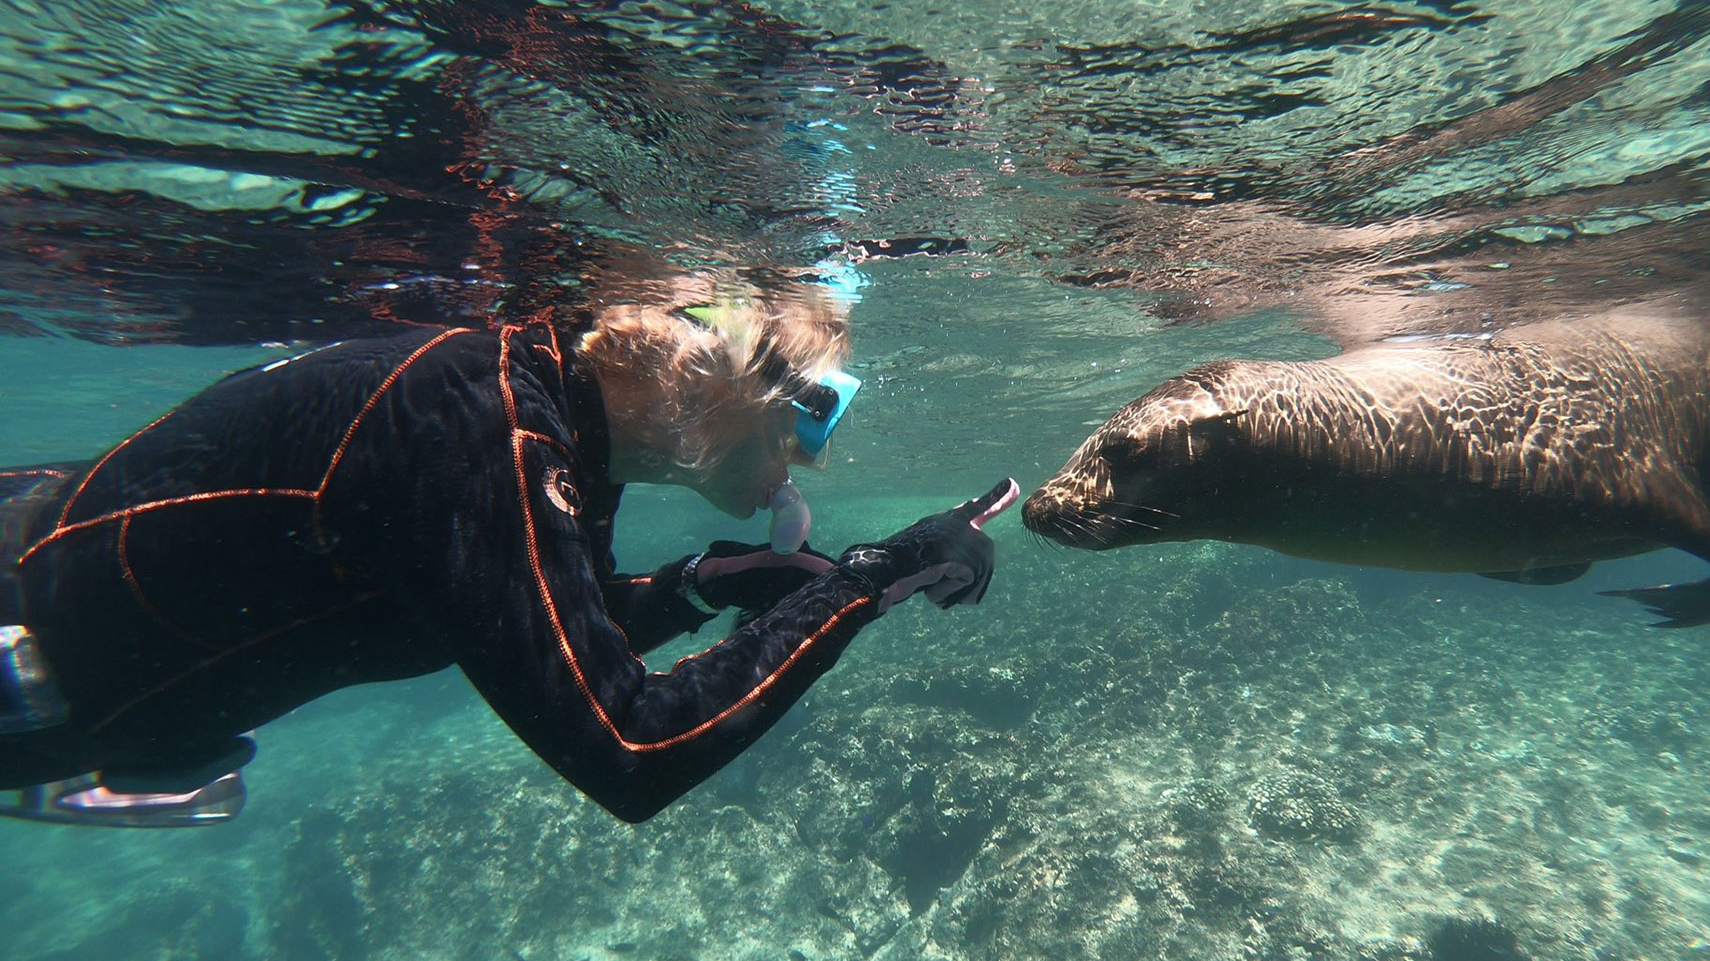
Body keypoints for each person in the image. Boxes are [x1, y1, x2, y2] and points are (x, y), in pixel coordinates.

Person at [0, 273, 1017, 827]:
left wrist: (704, 586)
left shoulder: (557, 417)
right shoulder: (494, 430)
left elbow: (537, 614)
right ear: (737, 387)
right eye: (812, 428)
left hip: (62, 674)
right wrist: (865, 582)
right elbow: (635, 746)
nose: (815, 466)